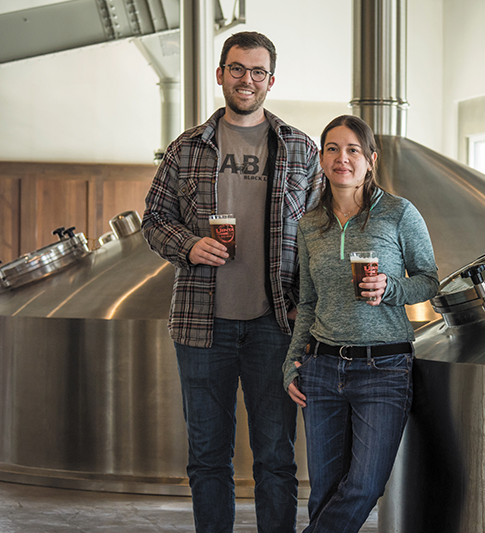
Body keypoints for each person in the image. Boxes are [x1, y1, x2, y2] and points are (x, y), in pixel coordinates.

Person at [141, 31, 323, 533]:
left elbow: (320, 237)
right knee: (207, 459)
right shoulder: (186, 148)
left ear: (271, 80)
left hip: (274, 325)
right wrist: (189, 245)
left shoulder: (301, 150)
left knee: (275, 458)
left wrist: (307, 313)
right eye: (238, 69)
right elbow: (154, 218)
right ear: (221, 74)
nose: (248, 80)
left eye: (258, 71)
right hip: (202, 327)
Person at [282, 115, 439, 533]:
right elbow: (309, 301)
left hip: (384, 368)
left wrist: (390, 288)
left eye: (353, 150)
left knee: (365, 485)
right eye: (332, 148)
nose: (342, 158)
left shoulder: (398, 213)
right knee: (325, 490)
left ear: (370, 159)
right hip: (322, 368)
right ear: (321, 158)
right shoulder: (309, 225)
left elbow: (429, 280)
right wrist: (293, 361)